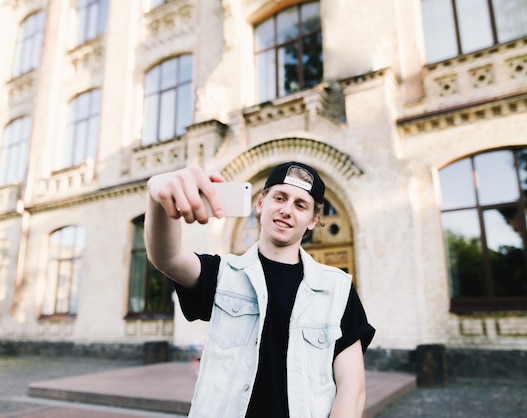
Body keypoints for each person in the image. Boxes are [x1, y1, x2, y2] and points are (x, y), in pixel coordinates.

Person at [145, 161, 375, 418]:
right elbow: (167, 258)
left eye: (300, 205)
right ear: (260, 204)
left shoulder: (338, 289)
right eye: (280, 197)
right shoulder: (222, 273)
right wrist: (156, 197)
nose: (287, 210)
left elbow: (352, 388)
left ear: (312, 221)